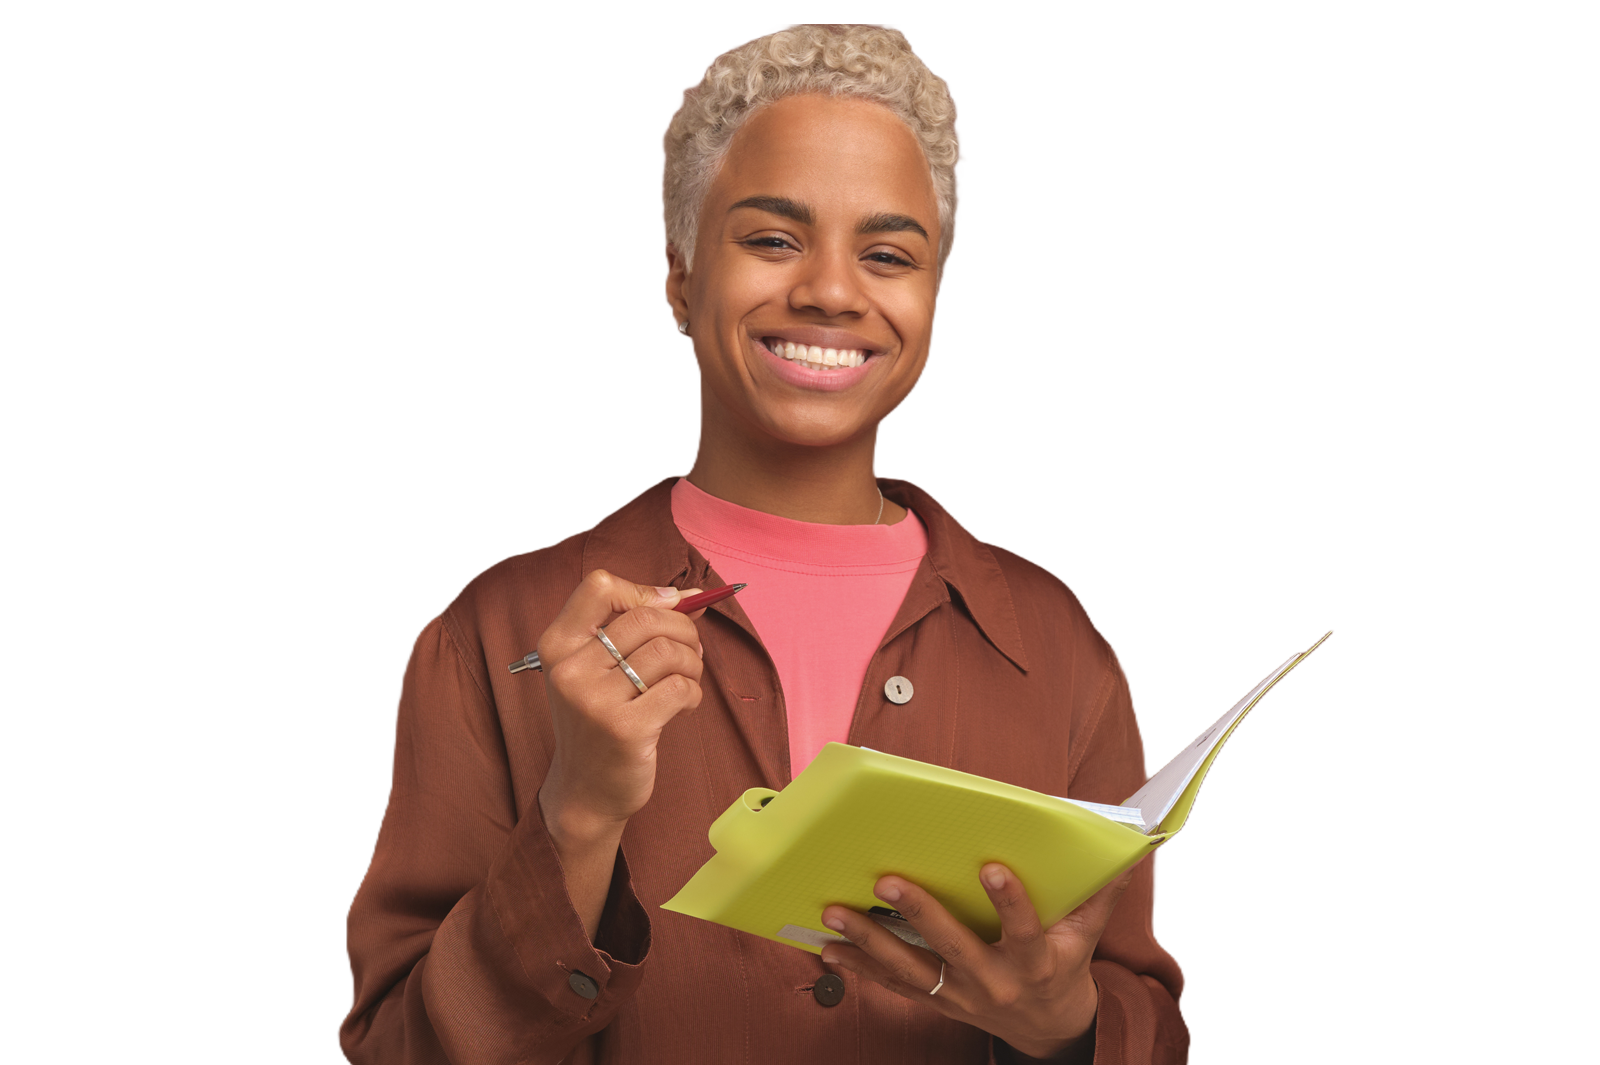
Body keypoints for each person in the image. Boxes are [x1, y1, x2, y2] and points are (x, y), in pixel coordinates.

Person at [339, 25, 1187, 1064]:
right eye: (773, 239)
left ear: (932, 295)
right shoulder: (497, 632)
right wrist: (577, 813)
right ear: (679, 280)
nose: (832, 290)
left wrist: (1067, 1028)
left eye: (886, 254)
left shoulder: (1055, 644)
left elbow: (1148, 1023)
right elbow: (396, 1049)